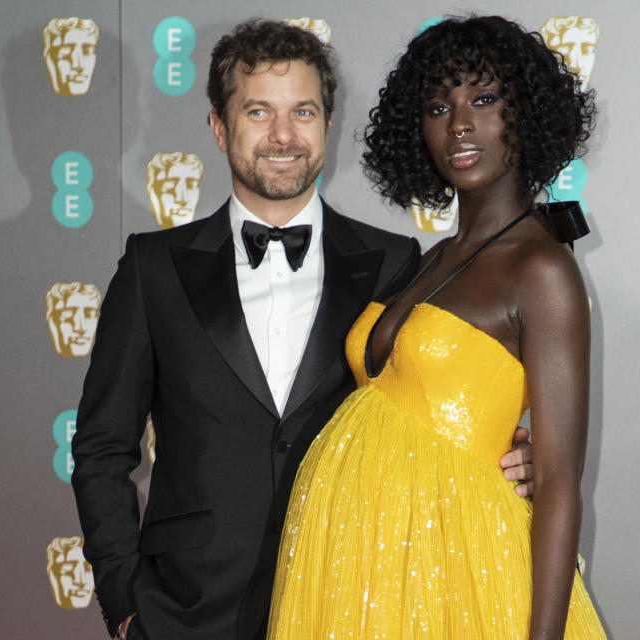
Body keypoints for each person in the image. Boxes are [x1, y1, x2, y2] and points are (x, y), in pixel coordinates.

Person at [71, 20, 533, 640]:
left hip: (350, 597)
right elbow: (101, 448)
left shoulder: (397, 262)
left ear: (327, 125)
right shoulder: (154, 268)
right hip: (187, 611)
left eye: (303, 112)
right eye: (258, 111)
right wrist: (126, 604)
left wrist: (506, 454)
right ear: (218, 126)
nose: (283, 136)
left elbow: (431, 412)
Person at [268, 16, 605, 638]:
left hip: (462, 579)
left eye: (483, 99)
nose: (459, 124)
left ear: (524, 114)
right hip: (360, 577)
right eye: (436, 106)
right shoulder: (427, 260)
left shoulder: (542, 270)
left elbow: (558, 481)